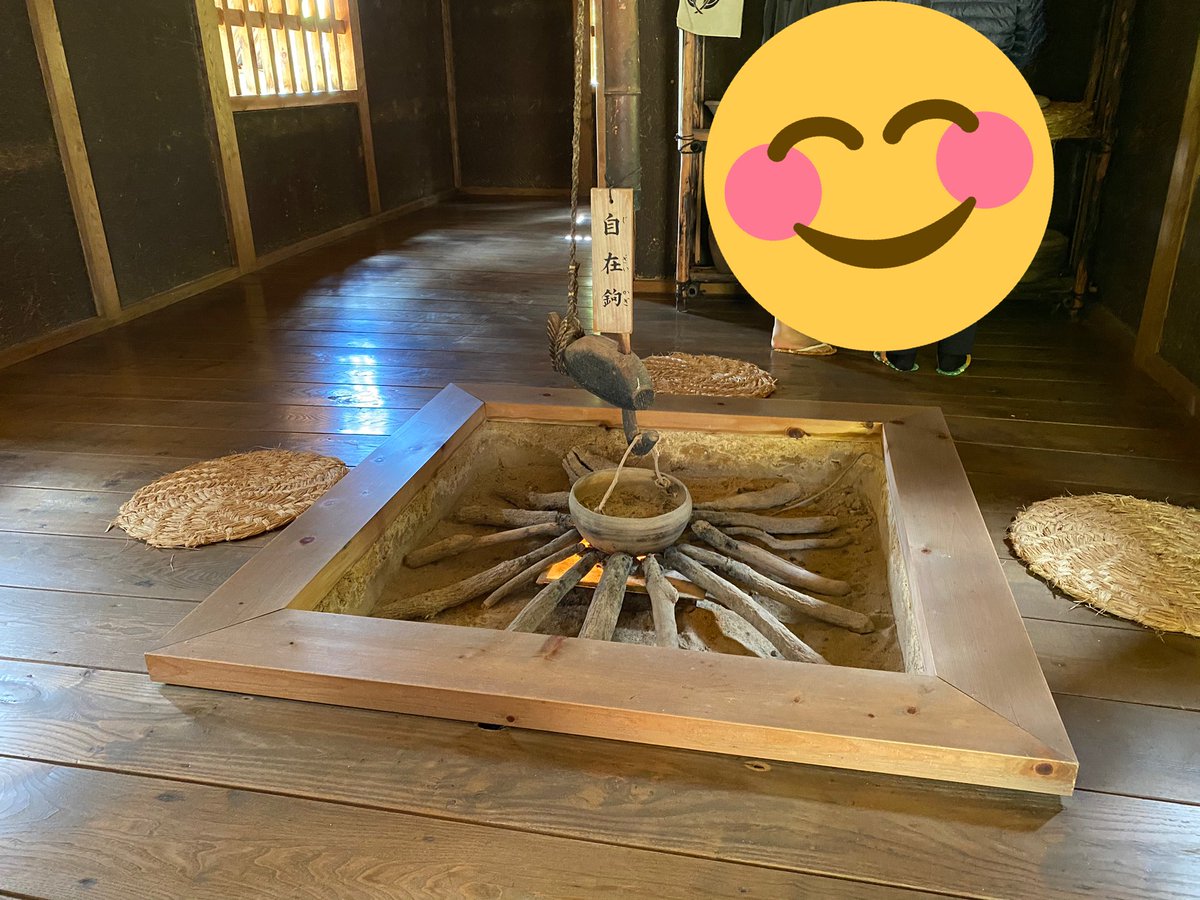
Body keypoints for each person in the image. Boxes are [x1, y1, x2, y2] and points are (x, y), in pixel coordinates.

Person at [762, 0, 1047, 370]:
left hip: (912, 102)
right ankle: (954, 353)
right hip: (980, 105)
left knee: (910, 227)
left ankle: (900, 349)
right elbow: (1027, 46)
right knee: (967, 234)